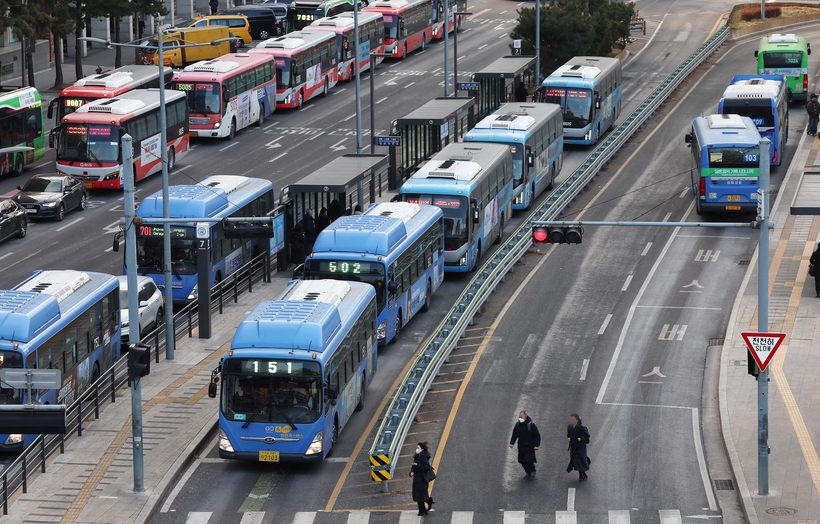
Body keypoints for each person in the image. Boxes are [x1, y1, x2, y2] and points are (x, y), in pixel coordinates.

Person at [509, 410, 540, 479]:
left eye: (521, 417)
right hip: (521, 446)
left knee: (529, 460)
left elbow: (537, 435)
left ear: (525, 417)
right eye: (519, 417)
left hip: (529, 446)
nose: (520, 418)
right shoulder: (518, 425)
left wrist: (536, 445)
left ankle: (532, 471)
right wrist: (512, 443)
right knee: (522, 461)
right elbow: (514, 434)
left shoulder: (531, 425)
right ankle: (527, 472)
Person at [410, 442, 435, 516]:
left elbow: (426, 468)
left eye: (418, 448)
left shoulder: (424, 457)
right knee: (420, 495)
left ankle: (423, 511)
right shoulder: (417, 456)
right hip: (417, 478)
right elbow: (413, 466)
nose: (416, 449)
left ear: (422, 449)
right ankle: (428, 502)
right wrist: (412, 471)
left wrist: (418, 465)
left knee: (420, 495)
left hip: (422, 479)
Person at [566, 413, 590, 481]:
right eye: (571, 419)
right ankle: (583, 473)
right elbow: (568, 434)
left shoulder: (581, 428)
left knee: (578, 460)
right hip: (573, 447)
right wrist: (569, 438)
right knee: (576, 461)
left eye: (573, 419)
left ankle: (581, 475)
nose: (571, 421)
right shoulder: (570, 427)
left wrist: (582, 439)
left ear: (577, 420)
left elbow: (587, 436)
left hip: (580, 448)